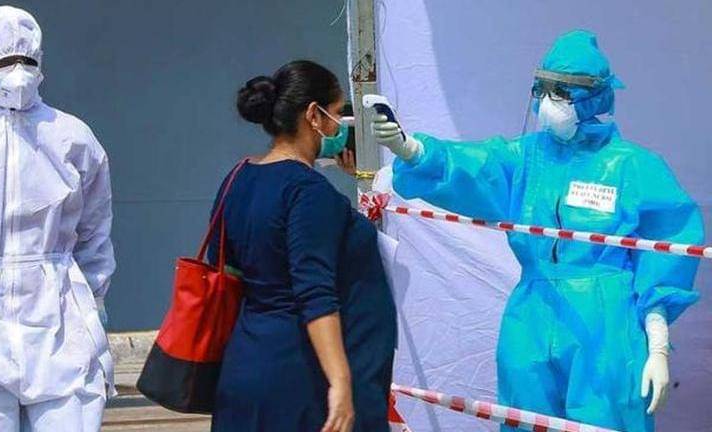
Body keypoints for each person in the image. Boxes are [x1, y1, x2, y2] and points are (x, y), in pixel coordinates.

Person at [371, 30, 704, 432]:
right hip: (531, 310)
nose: (548, 102)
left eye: (562, 92)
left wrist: (658, 344)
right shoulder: (527, 158)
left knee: (605, 419)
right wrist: (413, 150)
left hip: (605, 319)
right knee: (525, 418)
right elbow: (476, 163)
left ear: (593, 97)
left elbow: (668, 249)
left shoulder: (632, 166)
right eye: (542, 90)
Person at [0, 6, 116, 431]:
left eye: (25, 60)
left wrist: (93, 298)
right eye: (5, 61)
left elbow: (95, 232)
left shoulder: (72, 137)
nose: (17, 72)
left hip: (58, 313)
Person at [208, 60, 397, 432]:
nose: (340, 126)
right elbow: (314, 292)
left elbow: (223, 264)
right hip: (300, 380)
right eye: (338, 113)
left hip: (245, 364)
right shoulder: (308, 192)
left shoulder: (238, 179)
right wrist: (340, 382)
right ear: (314, 115)